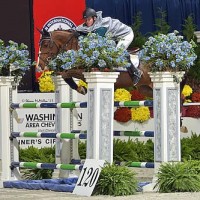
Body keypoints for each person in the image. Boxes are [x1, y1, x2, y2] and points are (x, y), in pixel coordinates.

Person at [76, 7, 142, 85]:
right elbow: (82, 29)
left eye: (89, 19)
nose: (87, 22)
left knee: (118, 52)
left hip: (126, 34)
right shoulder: (93, 23)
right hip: (115, 36)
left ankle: (135, 72)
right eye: (86, 20)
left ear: (94, 18)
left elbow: (95, 40)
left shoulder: (102, 27)